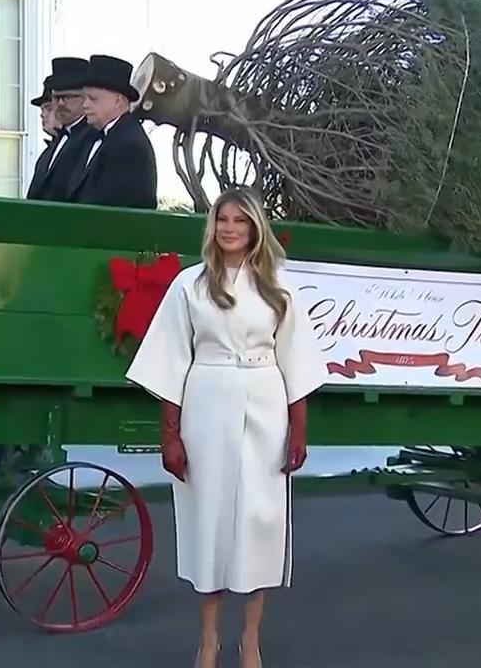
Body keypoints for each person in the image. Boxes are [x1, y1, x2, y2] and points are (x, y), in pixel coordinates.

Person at [124, 189, 328, 668]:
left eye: (240, 220)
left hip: (265, 402)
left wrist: (298, 431)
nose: (231, 228)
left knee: (260, 523)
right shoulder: (189, 285)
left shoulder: (279, 286)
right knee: (210, 523)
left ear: (256, 227)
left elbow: (296, 362)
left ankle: (251, 640)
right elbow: (169, 363)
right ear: (212, 227)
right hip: (207, 403)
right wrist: (169, 436)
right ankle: (209, 641)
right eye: (222, 220)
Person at [68, 53, 158, 209]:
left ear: (118, 101)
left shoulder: (131, 146)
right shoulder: (90, 137)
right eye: (84, 98)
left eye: (93, 98)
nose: (85, 105)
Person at [27, 57, 95, 202]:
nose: (61, 104)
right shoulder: (58, 141)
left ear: (85, 98)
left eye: (68, 97)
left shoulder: (91, 139)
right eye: (56, 98)